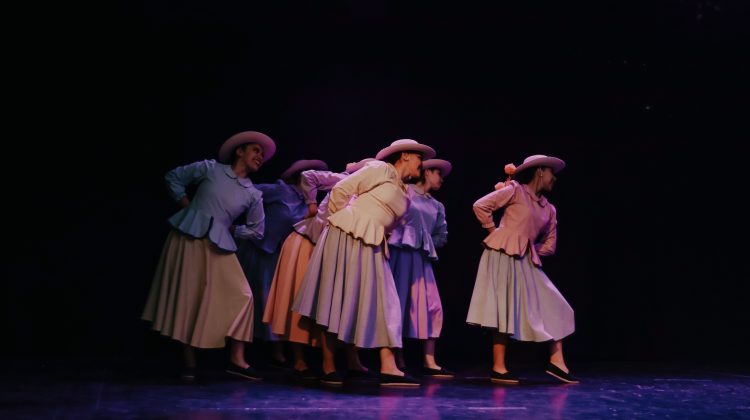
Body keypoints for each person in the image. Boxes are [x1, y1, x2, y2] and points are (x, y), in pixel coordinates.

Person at [292, 139, 436, 387]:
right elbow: (340, 191)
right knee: (335, 296)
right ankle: (328, 366)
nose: (422, 165)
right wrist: (341, 223)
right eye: (419, 158)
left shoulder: (403, 190)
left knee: (383, 302)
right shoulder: (380, 169)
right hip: (346, 232)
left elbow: (390, 225)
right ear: (405, 156)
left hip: (372, 241)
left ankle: (388, 366)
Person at [142, 131, 275, 382]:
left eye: (263, 155)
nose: (261, 156)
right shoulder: (211, 169)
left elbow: (258, 231)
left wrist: (233, 228)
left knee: (243, 295)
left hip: (220, 243)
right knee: (188, 296)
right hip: (188, 236)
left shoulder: (252, 193)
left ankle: (237, 360)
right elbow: (174, 177)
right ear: (240, 151)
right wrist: (188, 208)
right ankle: (189, 363)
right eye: (256, 150)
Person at [466, 154, 578, 384]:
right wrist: (496, 233)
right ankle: (499, 367)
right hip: (501, 254)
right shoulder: (515, 190)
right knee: (503, 308)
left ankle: (557, 362)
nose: (554, 178)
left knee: (556, 304)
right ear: (539, 171)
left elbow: (550, 245)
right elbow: (480, 205)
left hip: (525, 259)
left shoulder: (549, 209)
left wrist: (529, 248)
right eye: (551, 173)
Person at [262, 158, 375, 380]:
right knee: (300, 298)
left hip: (333, 249)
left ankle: (351, 359)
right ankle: (301, 359)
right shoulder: (345, 179)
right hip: (305, 242)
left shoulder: (371, 195)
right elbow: (308, 176)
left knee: (339, 304)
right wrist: (311, 203)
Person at [236, 159, 328, 368]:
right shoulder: (281, 190)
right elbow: (250, 192)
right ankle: (241, 352)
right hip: (257, 249)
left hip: (279, 255)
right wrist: (251, 222)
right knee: (251, 298)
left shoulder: (312, 202)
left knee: (275, 301)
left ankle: (277, 350)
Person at [387, 158, 454, 378]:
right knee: (399, 301)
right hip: (400, 253)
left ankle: (429, 359)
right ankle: (397, 357)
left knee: (432, 305)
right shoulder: (405, 191)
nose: (441, 179)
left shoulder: (437, 205)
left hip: (421, 258)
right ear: (426, 173)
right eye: (438, 173)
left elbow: (441, 235)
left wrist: (425, 240)